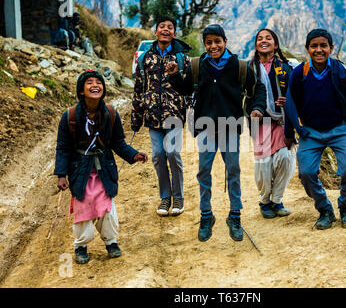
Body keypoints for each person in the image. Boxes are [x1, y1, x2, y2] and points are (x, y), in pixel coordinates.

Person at [167, 24, 267, 242]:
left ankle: (235, 216)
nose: (213, 46)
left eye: (217, 41)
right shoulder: (197, 65)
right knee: (204, 172)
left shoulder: (239, 66)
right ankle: (206, 215)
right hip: (205, 128)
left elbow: (257, 88)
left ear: (225, 41)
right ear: (205, 44)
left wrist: (256, 108)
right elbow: (185, 89)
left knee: (233, 171)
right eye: (209, 42)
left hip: (230, 127)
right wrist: (174, 76)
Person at [54, 69, 148, 264]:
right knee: (83, 210)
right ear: (81, 90)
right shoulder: (70, 116)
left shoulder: (110, 113)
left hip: (104, 169)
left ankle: (111, 242)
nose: (95, 85)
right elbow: (63, 147)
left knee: (106, 208)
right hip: (81, 171)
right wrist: (61, 175)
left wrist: (134, 154)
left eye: (98, 82)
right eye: (89, 82)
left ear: (103, 89)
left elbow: (118, 143)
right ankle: (81, 245)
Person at [284, 28, 346, 230]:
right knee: (306, 173)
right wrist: (289, 133)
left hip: (339, 129)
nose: (319, 50)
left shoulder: (342, 71)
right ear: (307, 49)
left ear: (331, 48)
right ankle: (325, 210)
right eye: (314, 46)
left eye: (323, 45)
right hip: (311, 132)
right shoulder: (300, 73)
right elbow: (291, 105)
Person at [131, 16, 192, 217]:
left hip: (174, 115)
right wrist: (136, 116)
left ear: (175, 34)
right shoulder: (145, 58)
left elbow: (189, 88)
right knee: (158, 156)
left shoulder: (182, 58)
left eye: (170, 27)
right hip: (152, 116)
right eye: (162, 27)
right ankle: (165, 198)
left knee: (173, 153)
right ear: (155, 32)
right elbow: (139, 89)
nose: (166, 29)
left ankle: (179, 197)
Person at [249, 28, 297, 219]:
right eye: (260, 38)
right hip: (260, 124)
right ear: (256, 45)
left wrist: (289, 101)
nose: (264, 40)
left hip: (283, 122)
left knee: (285, 158)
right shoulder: (249, 69)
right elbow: (243, 96)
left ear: (276, 45)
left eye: (268, 38)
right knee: (264, 164)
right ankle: (264, 201)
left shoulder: (286, 68)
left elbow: (297, 94)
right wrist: (253, 109)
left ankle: (277, 200)